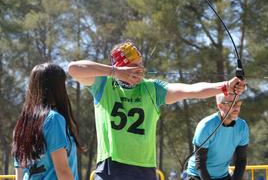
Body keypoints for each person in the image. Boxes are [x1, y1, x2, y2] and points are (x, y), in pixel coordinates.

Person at [68, 41, 246, 180]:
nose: (139, 70)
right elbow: (73, 69)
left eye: (141, 65)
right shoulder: (104, 85)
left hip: (145, 169)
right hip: (111, 168)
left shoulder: (153, 89)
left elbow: (191, 90)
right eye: (133, 66)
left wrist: (224, 86)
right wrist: (114, 72)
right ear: (121, 66)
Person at [12, 63, 83, 180]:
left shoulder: (21, 125)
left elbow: (19, 175)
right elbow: (63, 171)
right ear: (57, 88)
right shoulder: (53, 119)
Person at [186, 93, 249, 180]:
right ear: (220, 106)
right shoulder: (206, 126)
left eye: (238, 103)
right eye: (232, 104)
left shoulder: (242, 126)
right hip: (198, 175)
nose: (237, 108)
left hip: (222, 176)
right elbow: (200, 163)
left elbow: (241, 160)